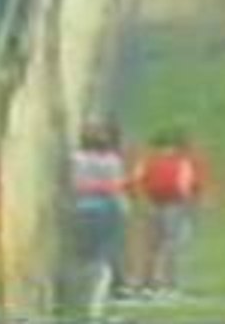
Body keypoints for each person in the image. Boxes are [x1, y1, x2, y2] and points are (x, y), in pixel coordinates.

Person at [132, 127, 209, 299]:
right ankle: (169, 283)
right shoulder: (182, 162)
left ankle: (146, 283)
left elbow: (137, 181)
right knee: (171, 245)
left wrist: (141, 202)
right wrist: (193, 206)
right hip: (175, 205)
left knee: (151, 246)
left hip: (153, 204)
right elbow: (188, 186)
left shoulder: (149, 161)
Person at [71, 122, 129, 320]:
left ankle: (81, 300)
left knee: (84, 256)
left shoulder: (76, 159)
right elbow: (116, 187)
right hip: (107, 209)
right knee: (103, 257)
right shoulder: (112, 161)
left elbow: (76, 185)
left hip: (81, 209)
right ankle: (96, 304)